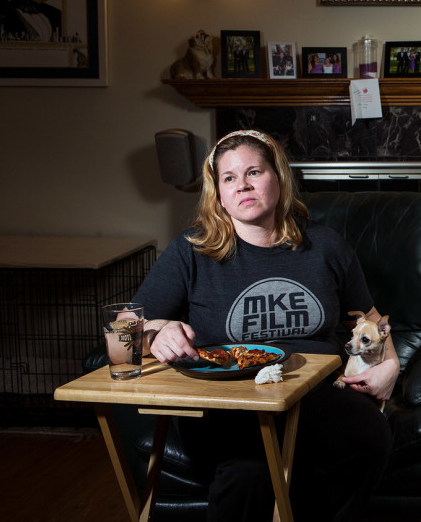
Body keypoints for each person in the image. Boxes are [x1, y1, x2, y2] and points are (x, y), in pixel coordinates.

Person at [133, 129, 397, 521]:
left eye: (254, 172)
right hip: (229, 403)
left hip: (314, 395)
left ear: (278, 177)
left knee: (369, 436)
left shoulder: (326, 246)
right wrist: (156, 331)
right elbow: (124, 328)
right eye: (229, 177)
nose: (242, 185)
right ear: (218, 194)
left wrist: (392, 366)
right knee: (249, 475)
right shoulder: (190, 250)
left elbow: (371, 320)